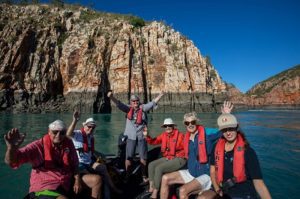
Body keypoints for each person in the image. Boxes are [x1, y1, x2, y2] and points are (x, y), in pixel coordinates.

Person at [4, 120, 102, 199]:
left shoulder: (68, 143)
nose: (58, 135)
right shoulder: (37, 146)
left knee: (97, 180)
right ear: (49, 132)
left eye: (62, 133)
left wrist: (77, 180)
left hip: (66, 181)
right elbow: (12, 161)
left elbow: (75, 164)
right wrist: (11, 149)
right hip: (46, 186)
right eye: (55, 132)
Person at [160, 101, 233, 199]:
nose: (190, 125)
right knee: (165, 178)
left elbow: (223, 132)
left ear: (196, 122)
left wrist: (226, 116)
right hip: (191, 172)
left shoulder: (207, 135)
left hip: (206, 175)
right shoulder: (186, 138)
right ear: (185, 125)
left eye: (193, 122)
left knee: (182, 190)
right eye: (187, 123)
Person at [199, 113, 272, 199]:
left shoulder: (248, 152)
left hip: (242, 193)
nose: (228, 133)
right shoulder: (216, 147)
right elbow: (212, 171)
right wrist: (217, 189)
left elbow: (258, 183)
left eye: (231, 128)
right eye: (224, 130)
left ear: (237, 127)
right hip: (221, 189)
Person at [107, 90, 164, 182]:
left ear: (139, 101)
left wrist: (160, 95)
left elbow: (153, 102)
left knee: (143, 157)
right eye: (133, 101)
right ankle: (127, 174)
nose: (135, 103)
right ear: (131, 102)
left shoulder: (143, 108)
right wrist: (111, 97)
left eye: (136, 101)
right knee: (129, 157)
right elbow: (118, 104)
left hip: (142, 136)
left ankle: (144, 175)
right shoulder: (128, 109)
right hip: (131, 137)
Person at [67, 111, 122, 199]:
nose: (91, 129)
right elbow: (68, 134)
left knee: (103, 167)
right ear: (84, 126)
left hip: (89, 162)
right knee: (95, 177)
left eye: (93, 127)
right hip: (80, 164)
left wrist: (102, 155)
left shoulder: (91, 137)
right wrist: (75, 120)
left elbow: (91, 151)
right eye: (89, 127)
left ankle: (114, 188)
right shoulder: (77, 134)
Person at [143, 118, 187, 199]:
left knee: (159, 168)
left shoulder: (180, 136)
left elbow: (187, 148)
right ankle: (151, 188)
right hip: (168, 157)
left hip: (179, 158)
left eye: (169, 125)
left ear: (173, 126)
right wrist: (147, 135)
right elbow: (153, 141)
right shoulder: (163, 135)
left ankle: (155, 193)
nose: (167, 127)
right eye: (165, 126)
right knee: (151, 165)